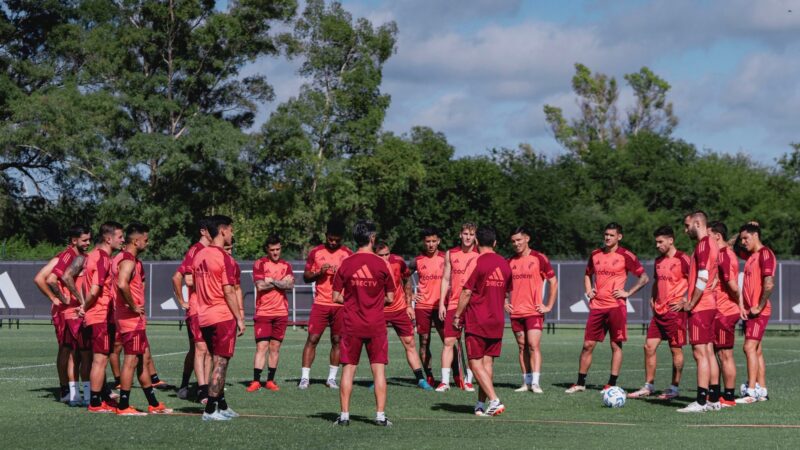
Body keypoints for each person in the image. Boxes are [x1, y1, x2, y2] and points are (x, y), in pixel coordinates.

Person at [565, 223, 649, 394]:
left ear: (619, 237)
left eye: (611, 235)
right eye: (606, 234)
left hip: (616, 307)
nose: (607, 238)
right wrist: (589, 291)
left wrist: (627, 293)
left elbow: (644, 277)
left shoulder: (626, 255)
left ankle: (611, 384)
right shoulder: (595, 254)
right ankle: (580, 383)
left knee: (615, 345)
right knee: (588, 344)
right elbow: (587, 274)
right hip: (597, 306)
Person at [332, 220, 394, 427]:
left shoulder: (346, 263)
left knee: (348, 369)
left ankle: (345, 416)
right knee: (379, 371)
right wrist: (373, 300)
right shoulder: (382, 264)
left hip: (351, 324)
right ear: (372, 238)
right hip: (376, 324)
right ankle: (380, 416)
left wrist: (353, 300)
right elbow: (391, 298)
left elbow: (335, 296)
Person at [453, 226, 512, 417]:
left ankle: (494, 400)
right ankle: (480, 404)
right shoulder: (505, 264)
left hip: (478, 320)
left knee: (474, 364)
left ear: (477, 242)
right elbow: (506, 294)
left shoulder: (477, 262)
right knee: (487, 366)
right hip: (497, 321)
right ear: (495, 243)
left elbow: (467, 291)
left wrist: (457, 316)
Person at [113, 222, 171, 416]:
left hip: (130, 319)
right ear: (136, 241)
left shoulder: (120, 257)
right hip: (131, 320)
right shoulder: (128, 260)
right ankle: (123, 406)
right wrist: (132, 305)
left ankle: (153, 403)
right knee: (131, 361)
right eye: (145, 239)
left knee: (143, 359)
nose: (147, 242)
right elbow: (122, 284)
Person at [193, 215, 245, 421]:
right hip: (222, 316)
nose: (232, 234)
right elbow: (229, 292)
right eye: (231, 230)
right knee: (221, 363)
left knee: (216, 362)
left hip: (204, 316)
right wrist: (239, 317)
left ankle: (221, 405)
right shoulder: (224, 258)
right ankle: (210, 410)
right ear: (223, 231)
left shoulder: (199, 255)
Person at [628, 226, 689, 400]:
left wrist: (686, 300)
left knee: (675, 350)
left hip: (675, 312)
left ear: (671, 240)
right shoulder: (658, 261)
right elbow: (656, 282)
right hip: (659, 312)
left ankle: (674, 388)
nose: (657, 245)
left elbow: (696, 281)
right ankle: (648, 386)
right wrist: (653, 298)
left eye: (661, 241)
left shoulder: (684, 259)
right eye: (656, 242)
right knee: (648, 347)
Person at [33, 225, 91, 404]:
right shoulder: (68, 255)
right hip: (67, 312)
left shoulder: (75, 256)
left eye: (89, 239)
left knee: (74, 351)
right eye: (84, 240)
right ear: (74, 240)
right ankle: (67, 389)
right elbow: (43, 278)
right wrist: (57, 298)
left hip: (71, 310)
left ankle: (72, 390)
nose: (88, 243)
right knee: (70, 351)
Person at [299, 220, 353, 389]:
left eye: (336, 240)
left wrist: (342, 275)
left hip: (340, 304)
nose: (333, 242)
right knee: (312, 338)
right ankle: (305, 378)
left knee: (337, 340)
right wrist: (319, 273)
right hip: (320, 303)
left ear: (342, 238)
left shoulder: (348, 254)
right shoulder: (315, 252)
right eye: (330, 239)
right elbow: (306, 277)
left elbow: (354, 279)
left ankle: (331, 378)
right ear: (326, 236)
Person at [677, 211, 721, 413]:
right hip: (710, 304)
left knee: (700, 353)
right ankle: (713, 398)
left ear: (697, 223)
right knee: (709, 352)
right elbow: (713, 274)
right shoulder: (713, 242)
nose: (686, 230)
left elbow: (703, 276)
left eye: (687, 226)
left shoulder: (703, 244)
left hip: (701, 306)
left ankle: (701, 401)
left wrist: (691, 303)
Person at [374, 241, 433, 390]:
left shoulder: (398, 261)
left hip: (399, 309)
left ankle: (420, 380)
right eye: (381, 255)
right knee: (378, 346)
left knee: (410, 343)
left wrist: (408, 305)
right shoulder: (370, 265)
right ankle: (377, 380)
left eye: (387, 254)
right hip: (378, 310)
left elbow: (406, 280)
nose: (385, 257)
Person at [506, 226, 557, 393]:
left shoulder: (539, 258)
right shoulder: (509, 262)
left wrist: (548, 305)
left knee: (533, 345)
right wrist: (504, 302)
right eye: (513, 241)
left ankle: (535, 382)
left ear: (527, 239)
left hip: (534, 311)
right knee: (522, 347)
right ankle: (525, 382)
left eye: (519, 240)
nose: (516, 244)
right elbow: (502, 286)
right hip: (516, 312)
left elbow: (553, 282)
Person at [84, 221, 125, 413]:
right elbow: (95, 289)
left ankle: (101, 397)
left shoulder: (95, 256)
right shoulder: (101, 258)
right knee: (100, 359)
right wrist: (84, 306)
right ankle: (94, 403)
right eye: (120, 237)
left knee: (101, 359)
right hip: (99, 315)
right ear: (108, 239)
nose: (123, 240)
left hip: (100, 315)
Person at [172, 218, 212, 401]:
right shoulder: (196, 250)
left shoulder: (210, 251)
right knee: (199, 349)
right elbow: (180, 278)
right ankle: (197, 388)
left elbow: (178, 276)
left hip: (209, 309)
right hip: (197, 309)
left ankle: (192, 386)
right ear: (204, 231)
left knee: (204, 350)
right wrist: (182, 300)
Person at [248, 235, 294, 392]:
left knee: (275, 347)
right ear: (267, 249)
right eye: (272, 250)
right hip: (263, 312)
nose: (275, 252)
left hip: (281, 312)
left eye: (278, 249)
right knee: (262, 347)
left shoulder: (286, 265)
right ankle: (255, 381)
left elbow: (290, 285)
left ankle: (270, 381)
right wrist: (280, 281)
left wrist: (271, 280)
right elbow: (260, 286)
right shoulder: (260, 263)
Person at [735, 223, 775, 404]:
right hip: (751, 312)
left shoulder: (765, 254)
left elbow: (769, 284)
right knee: (756, 351)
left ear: (756, 236)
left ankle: (750, 392)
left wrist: (759, 306)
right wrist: (741, 233)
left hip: (759, 312)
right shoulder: (750, 255)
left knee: (748, 348)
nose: (743, 242)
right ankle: (762, 390)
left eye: (746, 238)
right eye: (742, 238)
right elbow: (730, 246)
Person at [437, 223, 478, 392]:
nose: (468, 237)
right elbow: (446, 279)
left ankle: (468, 380)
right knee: (448, 342)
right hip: (453, 303)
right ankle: (445, 382)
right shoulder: (451, 253)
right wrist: (441, 303)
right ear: (460, 235)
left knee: (472, 343)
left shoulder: (480, 254)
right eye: (465, 233)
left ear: (475, 237)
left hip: (473, 305)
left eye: (471, 234)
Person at [708, 221, 742, 407]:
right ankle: (714, 394)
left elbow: (732, 286)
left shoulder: (724, 255)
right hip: (719, 311)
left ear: (717, 236)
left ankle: (728, 398)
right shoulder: (724, 251)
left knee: (724, 355)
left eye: (709, 235)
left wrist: (740, 303)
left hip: (724, 312)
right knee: (714, 353)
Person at [410, 227, 446, 387]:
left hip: (441, 306)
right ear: (424, 243)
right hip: (422, 306)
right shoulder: (417, 260)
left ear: (438, 241)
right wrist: (410, 294)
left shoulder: (447, 258)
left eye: (433, 241)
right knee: (424, 341)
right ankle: (429, 375)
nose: (431, 244)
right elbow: (400, 276)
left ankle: (457, 375)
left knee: (449, 340)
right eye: (428, 242)